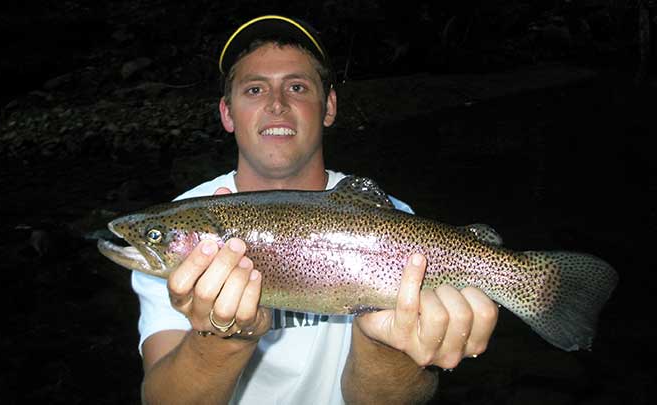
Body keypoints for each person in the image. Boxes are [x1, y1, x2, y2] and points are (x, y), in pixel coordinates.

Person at [132, 15, 499, 404]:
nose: (276, 104)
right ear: (227, 113)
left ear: (329, 107)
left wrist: (389, 347)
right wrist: (222, 339)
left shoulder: (390, 221)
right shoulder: (177, 224)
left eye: (297, 86)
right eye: (255, 89)